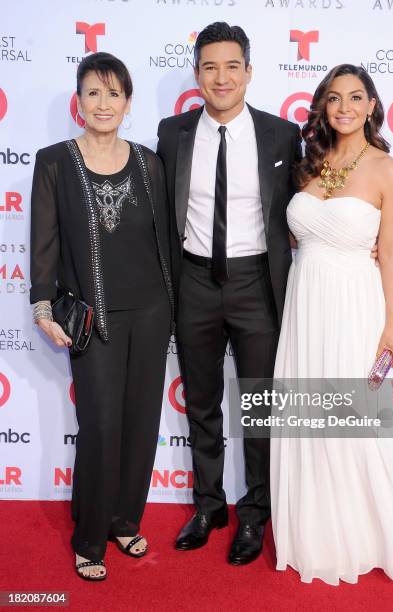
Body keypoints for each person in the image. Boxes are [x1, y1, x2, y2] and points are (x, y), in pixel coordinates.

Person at [270, 64, 393, 584]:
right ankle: (314, 532)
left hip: (354, 306)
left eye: (356, 97)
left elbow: (390, 253)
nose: (344, 107)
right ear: (322, 106)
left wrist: (392, 326)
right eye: (334, 98)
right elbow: (299, 241)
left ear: (371, 105)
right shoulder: (306, 167)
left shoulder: (387, 168)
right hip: (305, 305)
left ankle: (364, 534)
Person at [156, 22, 301, 565]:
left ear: (249, 71)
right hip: (193, 280)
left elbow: (309, 204)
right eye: (210, 66)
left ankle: (255, 513)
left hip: (257, 283)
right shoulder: (172, 134)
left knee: (260, 407)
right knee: (200, 402)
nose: (221, 77)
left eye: (232, 65)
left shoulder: (282, 135)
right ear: (197, 74)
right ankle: (209, 504)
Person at [30, 52, 174, 580]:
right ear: (79, 101)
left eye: (114, 93)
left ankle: (123, 519)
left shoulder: (148, 162)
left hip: (153, 311)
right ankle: (89, 536)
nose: (104, 103)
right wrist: (43, 304)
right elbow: (42, 240)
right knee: (100, 425)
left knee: (141, 424)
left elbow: (164, 244)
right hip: (93, 318)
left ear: (128, 102)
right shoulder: (54, 162)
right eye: (94, 92)